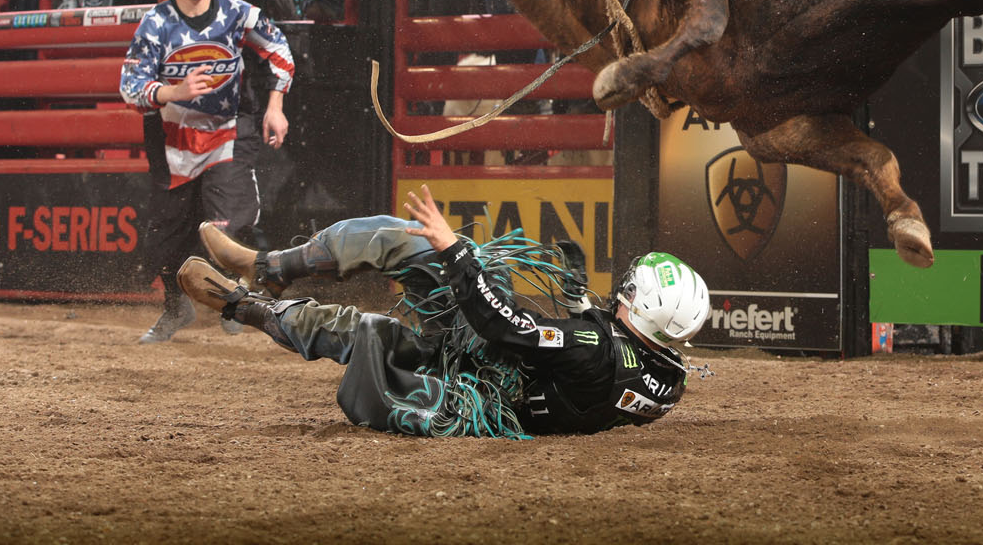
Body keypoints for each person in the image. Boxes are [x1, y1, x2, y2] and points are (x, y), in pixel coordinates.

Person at [178, 184, 708, 437]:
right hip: (505, 375)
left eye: (633, 292)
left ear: (645, 310)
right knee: (376, 316)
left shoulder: (592, 348)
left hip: (477, 382)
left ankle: (246, 298)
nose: (624, 293)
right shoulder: (669, 378)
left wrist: (456, 253)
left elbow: (504, 326)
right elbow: (593, 362)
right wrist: (575, 304)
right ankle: (261, 275)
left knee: (379, 314)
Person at [119, 0, 295, 343]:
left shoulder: (238, 14)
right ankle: (175, 308)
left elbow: (280, 51)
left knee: (228, 219)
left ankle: (238, 302)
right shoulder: (155, 24)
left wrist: (275, 105)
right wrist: (172, 92)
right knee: (167, 235)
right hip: (172, 140)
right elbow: (130, 86)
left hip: (228, 131)